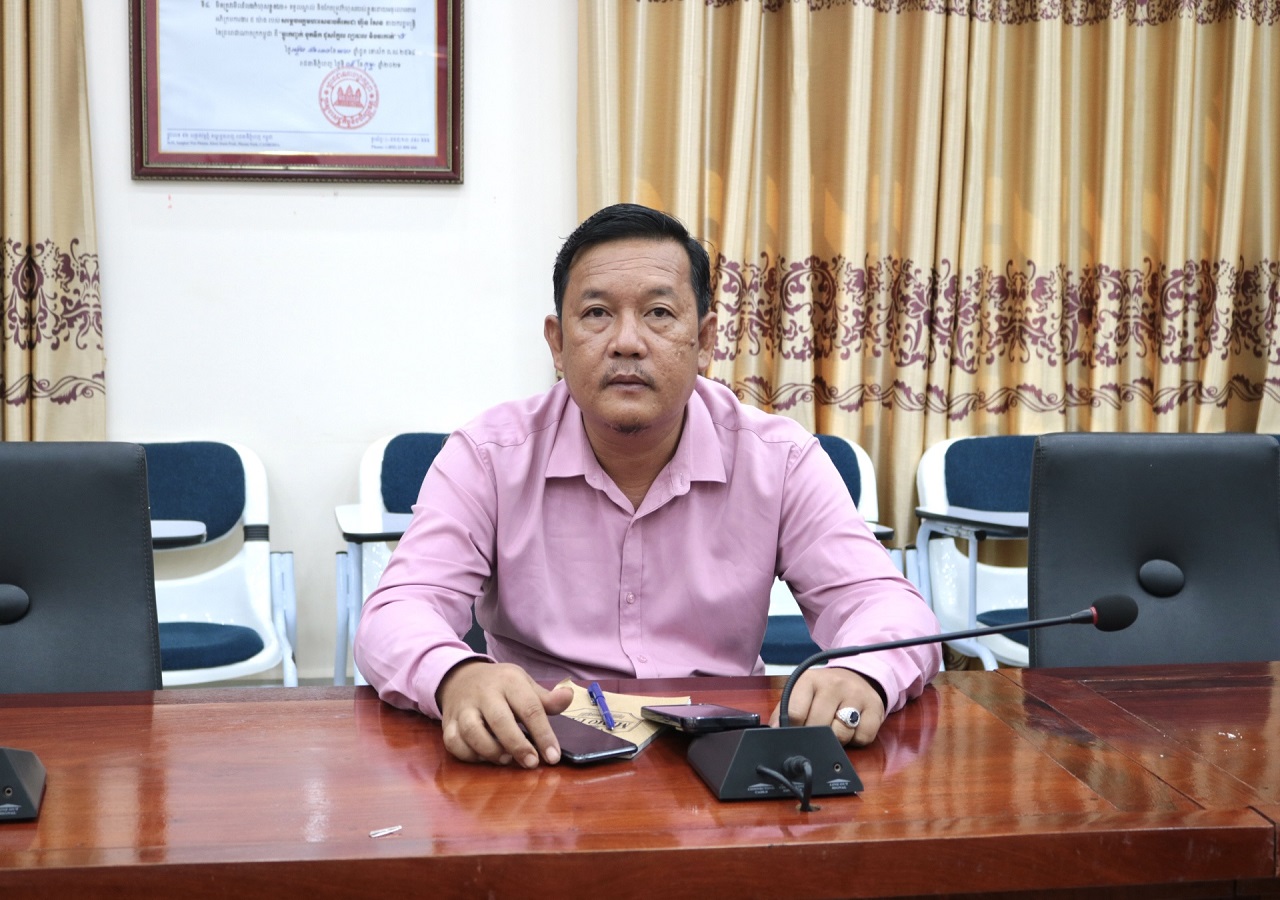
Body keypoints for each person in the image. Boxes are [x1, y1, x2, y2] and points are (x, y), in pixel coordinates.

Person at [355, 203, 941, 769]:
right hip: (538, 751)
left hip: (722, 754)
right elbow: (398, 610)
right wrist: (456, 676)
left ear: (705, 340)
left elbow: (885, 606)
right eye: (596, 313)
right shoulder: (488, 458)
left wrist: (863, 673)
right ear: (557, 343)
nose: (627, 341)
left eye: (659, 313)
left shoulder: (778, 460)